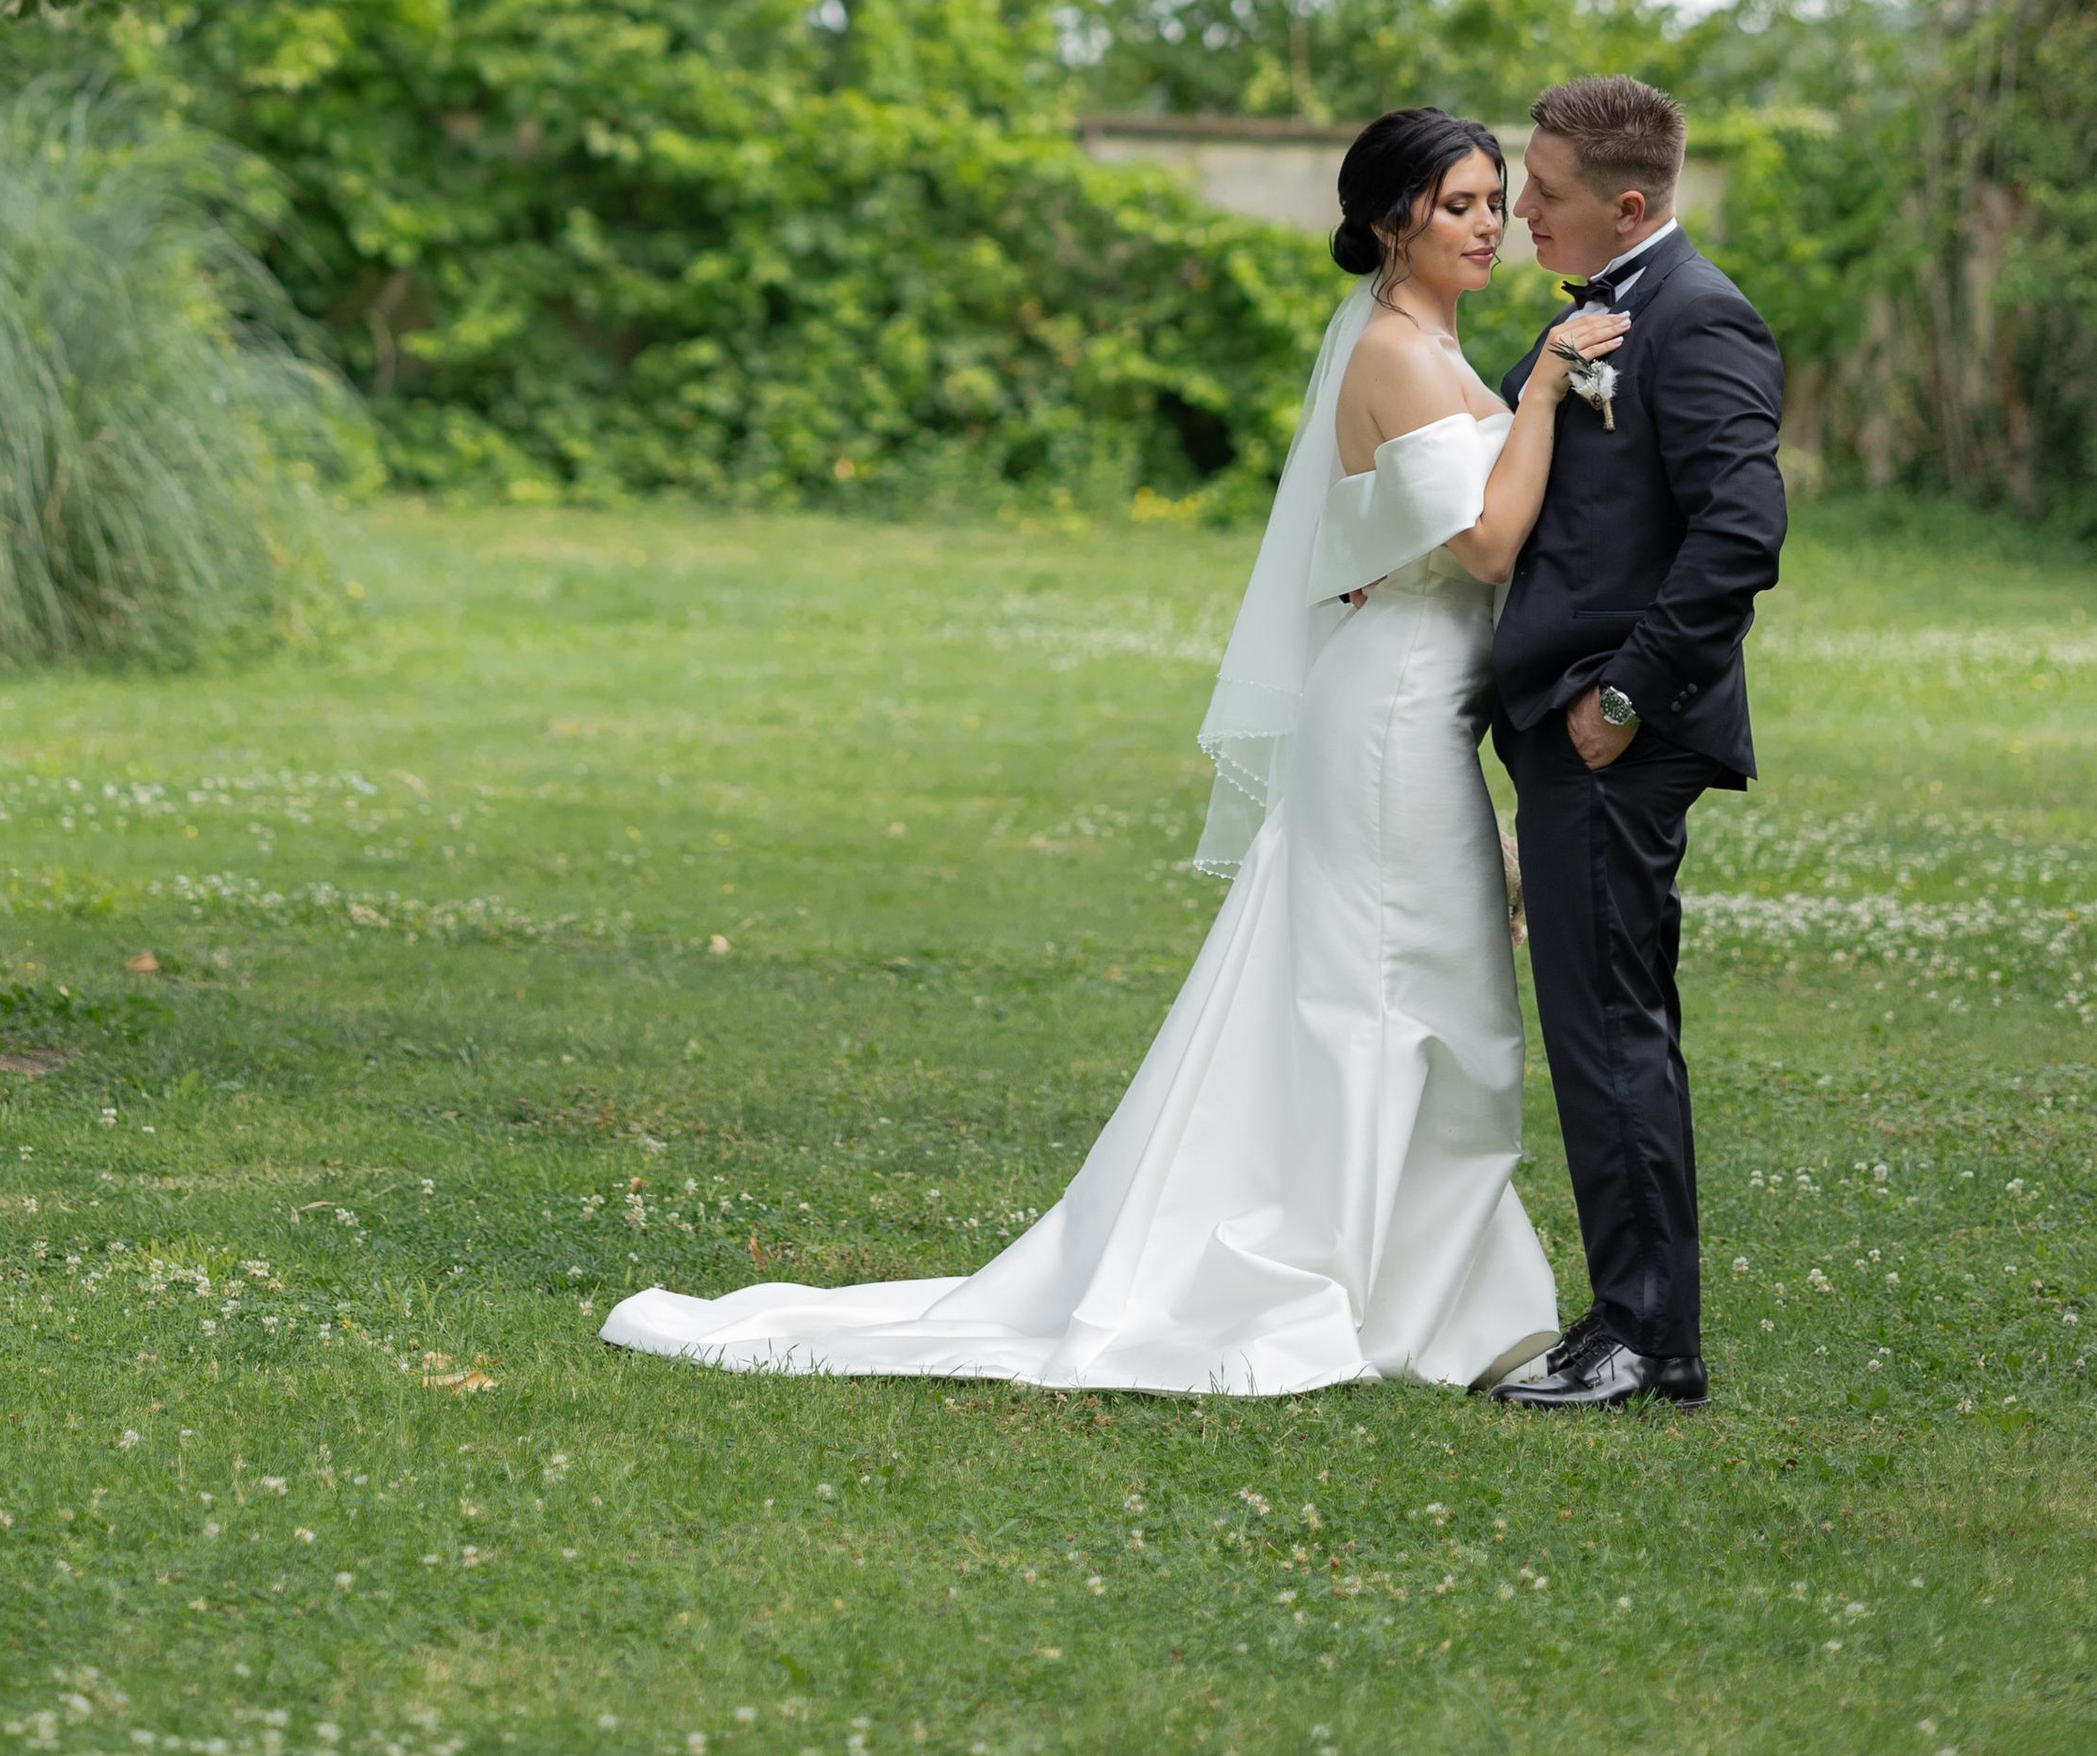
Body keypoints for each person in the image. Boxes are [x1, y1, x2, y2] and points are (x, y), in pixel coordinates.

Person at [600, 107, 1626, 1399]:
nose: (1487, 225)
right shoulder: (1399, 356)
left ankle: (1427, 1286)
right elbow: (1483, 546)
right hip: (1390, 722)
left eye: (1493, 202)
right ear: (1386, 223)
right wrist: (1542, 391)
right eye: (1461, 205)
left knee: (1441, 1002)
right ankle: (1371, 1293)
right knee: (1408, 997)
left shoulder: (1434, 344)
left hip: (1422, 700)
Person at [1482, 76, 1787, 1414]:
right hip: (1568, 723)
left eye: (1541, 194)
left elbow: (1741, 535)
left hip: (1618, 733)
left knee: (1613, 1032)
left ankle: (1645, 1339)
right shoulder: (1595, 318)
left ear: (1626, 202)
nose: (1520, 211)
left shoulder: (1701, 318)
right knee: (1599, 1025)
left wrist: (1621, 704)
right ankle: (1631, 1325)